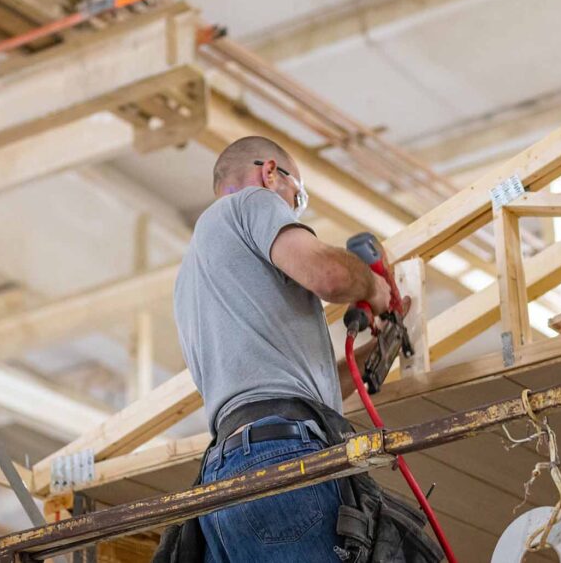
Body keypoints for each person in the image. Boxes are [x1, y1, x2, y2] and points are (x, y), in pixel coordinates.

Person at [170, 135, 408, 562]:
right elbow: (329, 276)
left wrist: (375, 352)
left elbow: (286, 388)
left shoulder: (190, 280)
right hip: (279, 457)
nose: (293, 212)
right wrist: (374, 287)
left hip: (223, 482)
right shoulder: (251, 203)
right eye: (297, 200)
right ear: (271, 173)